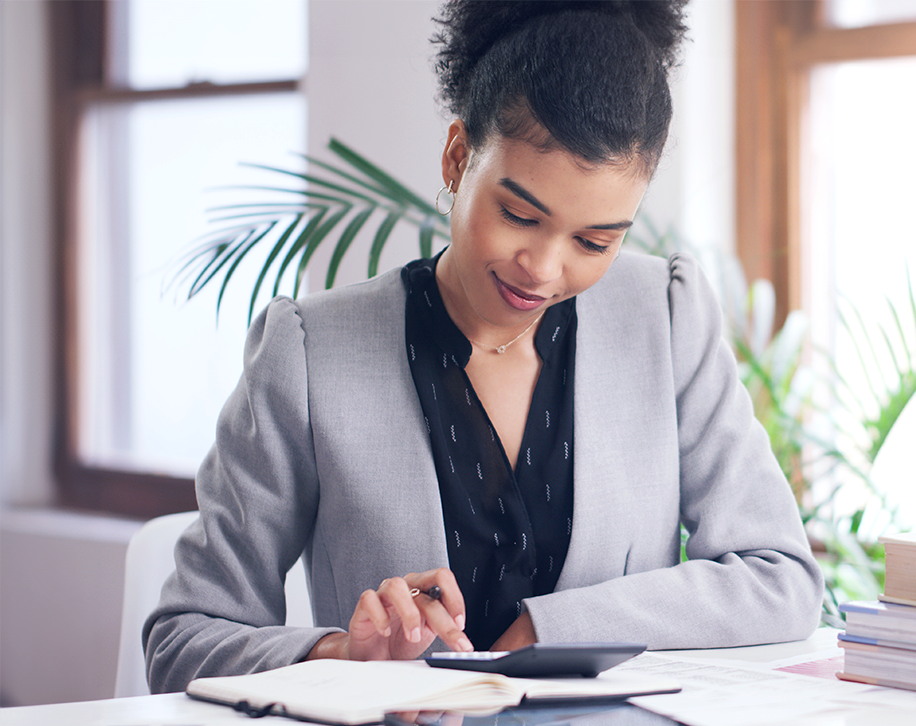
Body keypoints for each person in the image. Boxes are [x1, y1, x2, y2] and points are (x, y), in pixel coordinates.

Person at [145, 0, 822, 694]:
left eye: (596, 241)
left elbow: (778, 576)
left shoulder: (666, 317)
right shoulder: (311, 351)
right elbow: (182, 638)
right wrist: (340, 653)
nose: (545, 267)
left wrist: (553, 626)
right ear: (458, 155)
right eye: (520, 215)